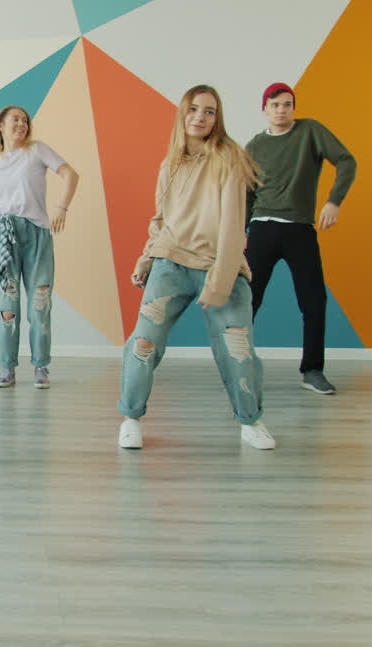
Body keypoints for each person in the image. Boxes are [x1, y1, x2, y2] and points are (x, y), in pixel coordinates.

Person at [117, 84, 273, 451]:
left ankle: (250, 421)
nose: (200, 117)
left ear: (217, 119)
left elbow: (234, 226)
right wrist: (147, 257)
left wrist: (219, 282)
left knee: (238, 349)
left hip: (220, 265)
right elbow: (160, 220)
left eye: (209, 111)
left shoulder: (229, 158)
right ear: (182, 114)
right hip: (169, 262)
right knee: (143, 342)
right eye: (193, 109)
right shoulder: (170, 164)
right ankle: (130, 418)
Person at [245, 82, 356, 395]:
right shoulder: (254, 145)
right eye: (275, 104)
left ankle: (313, 370)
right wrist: (240, 230)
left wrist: (334, 201)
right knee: (247, 300)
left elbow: (347, 161)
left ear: (293, 107)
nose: (281, 110)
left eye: (287, 104)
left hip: (299, 229)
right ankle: (240, 366)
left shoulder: (310, 131)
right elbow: (246, 192)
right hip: (262, 227)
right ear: (264, 109)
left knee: (313, 300)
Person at [0, 105, 79, 389]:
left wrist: (62, 208)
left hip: (37, 234)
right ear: (0, 125)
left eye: (25, 120)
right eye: (15, 119)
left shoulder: (37, 151)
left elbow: (71, 175)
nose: (21, 124)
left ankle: (41, 367)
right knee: (7, 307)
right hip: (4, 236)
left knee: (40, 303)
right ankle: (7, 368)